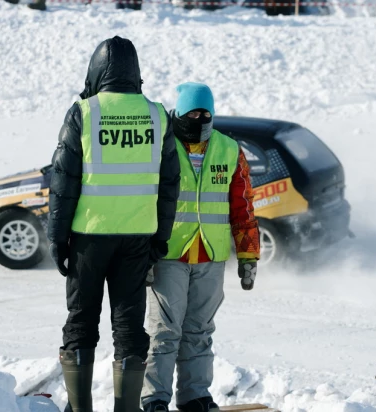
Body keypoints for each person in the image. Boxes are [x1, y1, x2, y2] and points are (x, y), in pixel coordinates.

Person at [47, 36, 180, 412]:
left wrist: (57, 239)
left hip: (89, 238)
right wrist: (161, 237)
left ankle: (80, 408)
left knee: (81, 321)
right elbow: (170, 184)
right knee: (128, 328)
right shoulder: (157, 115)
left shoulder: (84, 113)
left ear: (96, 71)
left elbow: (63, 181)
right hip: (137, 239)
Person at [141, 83, 260, 412]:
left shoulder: (228, 149)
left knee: (199, 331)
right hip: (169, 255)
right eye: (192, 112)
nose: (199, 118)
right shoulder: (161, 147)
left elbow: (243, 208)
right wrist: (142, 254)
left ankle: (195, 396)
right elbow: (144, 203)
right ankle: (154, 399)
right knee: (165, 332)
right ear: (178, 113)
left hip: (210, 255)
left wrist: (248, 255)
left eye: (205, 113)